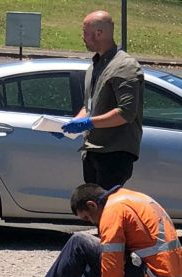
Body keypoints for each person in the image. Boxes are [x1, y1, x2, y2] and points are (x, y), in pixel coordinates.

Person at [6, 184, 182, 277]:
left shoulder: (112, 212)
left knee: (80, 242)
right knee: (99, 246)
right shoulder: (129, 197)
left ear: (92, 205)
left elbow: (112, 263)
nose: (91, 222)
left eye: (87, 217)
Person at [61, 10, 144, 190]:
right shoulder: (96, 65)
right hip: (93, 150)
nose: (82, 37)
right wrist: (72, 125)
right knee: (95, 211)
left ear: (99, 33)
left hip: (114, 152)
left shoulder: (124, 66)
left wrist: (88, 123)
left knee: (107, 209)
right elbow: (89, 106)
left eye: (85, 32)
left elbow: (126, 113)